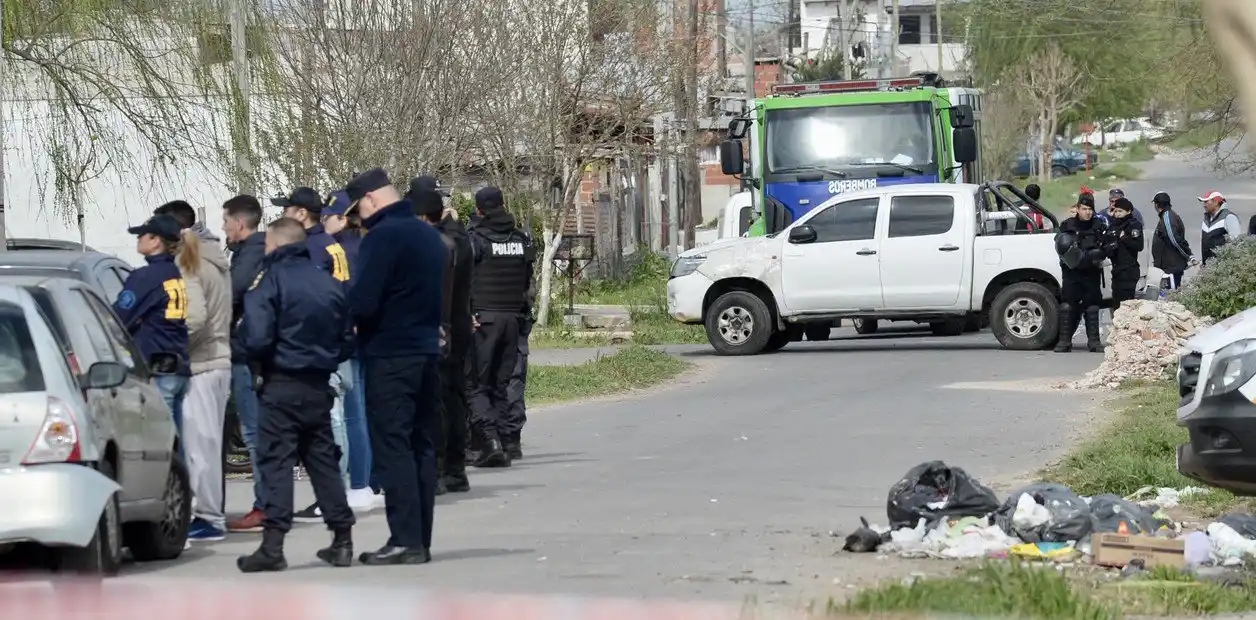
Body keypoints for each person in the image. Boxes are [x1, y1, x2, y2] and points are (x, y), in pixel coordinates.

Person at [236, 218, 356, 572]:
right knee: (323, 462)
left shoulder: (268, 281)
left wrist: (247, 353)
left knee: (276, 463)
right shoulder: (330, 282)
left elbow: (256, 337)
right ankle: (342, 539)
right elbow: (348, 340)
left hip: (281, 384)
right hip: (319, 385)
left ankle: (273, 546)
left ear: (274, 244)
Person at [347, 168, 446, 565]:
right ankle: (419, 537)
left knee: (393, 445)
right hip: (424, 350)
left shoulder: (383, 237)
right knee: (421, 444)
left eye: (358, 211)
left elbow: (365, 301)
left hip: (390, 353)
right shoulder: (428, 234)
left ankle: (404, 539)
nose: (358, 219)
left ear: (370, 199)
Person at [273, 186, 354, 521]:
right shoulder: (330, 243)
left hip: (321, 342)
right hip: (336, 336)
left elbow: (314, 298)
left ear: (302, 213)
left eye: (288, 208)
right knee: (340, 417)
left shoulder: (313, 247)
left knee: (332, 419)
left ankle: (333, 494)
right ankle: (337, 492)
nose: (284, 213)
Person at [154, 201, 234, 542]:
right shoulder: (213, 257)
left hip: (201, 363)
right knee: (208, 443)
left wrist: (173, 346)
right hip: (217, 359)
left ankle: (208, 518)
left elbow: (195, 317)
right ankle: (210, 514)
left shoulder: (189, 263)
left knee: (199, 446)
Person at [411, 176, 472, 494]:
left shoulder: (432, 244)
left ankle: (435, 470)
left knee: (435, 400)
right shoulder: (459, 238)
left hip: (439, 327)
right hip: (459, 325)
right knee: (454, 396)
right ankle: (455, 468)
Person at [467, 187, 535, 468]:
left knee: (475, 383)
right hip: (514, 320)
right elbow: (527, 281)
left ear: (480, 209)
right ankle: (507, 442)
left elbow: (465, 279)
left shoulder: (476, 240)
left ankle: (490, 441)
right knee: (502, 384)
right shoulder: (521, 239)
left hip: (484, 321)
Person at [321, 189, 377, 511]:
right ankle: (368, 480)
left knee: (351, 413)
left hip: (348, 334)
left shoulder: (340, 249)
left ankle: (359, 483)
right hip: (370, 333)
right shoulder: (367, 244)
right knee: (363, 411)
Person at [220, 196, 270, 533]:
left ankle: (265, 505)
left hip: (247, 354)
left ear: (240, 223)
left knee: (254, 433)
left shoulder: (251, 255)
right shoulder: (254, 252)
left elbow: (231, 296)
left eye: (226, 221)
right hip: (253, 352)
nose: (223, 227)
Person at [115, 215, 191, 437]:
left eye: (142, 235)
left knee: (161, 443)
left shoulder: (146, 277)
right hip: (179, 365)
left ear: (156, 240)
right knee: (177, 443)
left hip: (159, 368)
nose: (138, 239)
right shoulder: (174, 273)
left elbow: (119, 317)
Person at [1054, 194, 1110, 353]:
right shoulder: (1067, 225)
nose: (1087, 212)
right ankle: (1064, 341)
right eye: (1084, 209)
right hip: (1071, 273)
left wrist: (1095, 255)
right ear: (1077, 208)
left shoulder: (1099, 226)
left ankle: (1094, 342)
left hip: (1091, 272)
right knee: (1068, 305)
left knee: (1092, 306)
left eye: (1090, 209)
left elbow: (1107, 247)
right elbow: (1059, 245)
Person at [272, 187, 351, 283]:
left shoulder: (311, 248)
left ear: (302, 214)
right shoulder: (326, 242)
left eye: (286, 211)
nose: (283, 216)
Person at [504, 276, 535, 460]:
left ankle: (495, 438)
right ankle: (510, 439)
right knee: (513, 380)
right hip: (515, 317)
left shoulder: (478, 246)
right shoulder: (522, 247)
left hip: (487, 319)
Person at [1104, 197, 1144, 313]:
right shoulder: (1113, 226)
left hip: (1129, 270)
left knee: (1127, 307)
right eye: (1115, 211)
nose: (1117, 214)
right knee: (1116, 305)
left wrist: (1123, 237)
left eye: (1120, 211)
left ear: (1128, 211)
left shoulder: (1133, 225)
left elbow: (1139, 246)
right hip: (1117, 271)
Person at [1151, 192, 1194, 292]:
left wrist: (1188, 256)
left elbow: (1174, 240)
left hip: (1171, 267)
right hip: (1168, 267)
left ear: (1156, 205)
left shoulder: (1167, 217)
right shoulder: (1168, 216)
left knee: (1170, 297)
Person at [1199, 190, 1242, 265]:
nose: (1204, 205)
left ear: (1216, 202)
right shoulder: (1206, 218)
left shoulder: (1229, 217)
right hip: (1208, 268)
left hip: (1222, 268)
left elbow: (1237, 243)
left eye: (1206, 202)